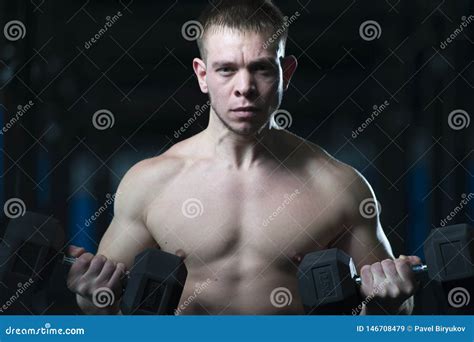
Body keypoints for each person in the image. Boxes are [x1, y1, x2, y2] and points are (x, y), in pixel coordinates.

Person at [67, 0, 420, 315]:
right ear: (202, 75)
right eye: (226, 69)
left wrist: (388, 298)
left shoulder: (339, 186)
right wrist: (91, 296)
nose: (245, 87)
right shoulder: (149, 184)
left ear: (287, 73)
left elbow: (397, 308)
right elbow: (103, 308)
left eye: (262, 68)